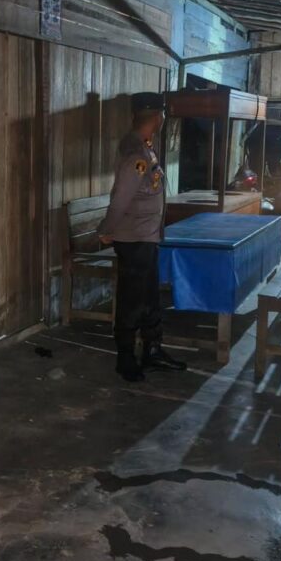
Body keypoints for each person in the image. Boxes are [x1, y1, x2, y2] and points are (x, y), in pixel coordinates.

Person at [98, 92, 187, 381]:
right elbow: (121, 199)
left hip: (145, 237)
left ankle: (152, 351)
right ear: (158, 117)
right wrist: (106, 230)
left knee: (149, 298)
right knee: (132, 301)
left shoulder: (145, 146)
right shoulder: (136, 154)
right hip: (134, 239)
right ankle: (125, 358)